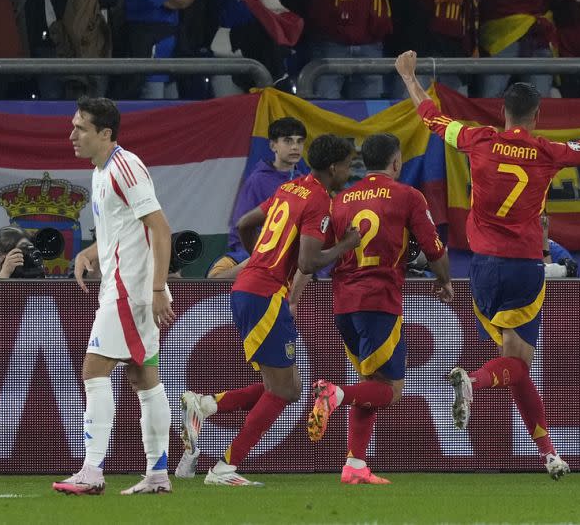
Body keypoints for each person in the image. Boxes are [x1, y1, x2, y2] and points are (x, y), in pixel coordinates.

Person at [395, 49, 580, 479]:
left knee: (514, 361)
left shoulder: (477, 138)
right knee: (516, 364)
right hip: (523, 267)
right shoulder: (547, 152)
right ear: (537, 114)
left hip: (481, 267)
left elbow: (431, 117)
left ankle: (548, 452)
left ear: (502, 112)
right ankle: (474, 383)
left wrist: (409, 76)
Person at [177, 134, 362, 486]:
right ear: (335, 167)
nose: (349, 172)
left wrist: (258, 258)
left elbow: (246, 223)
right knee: (285, 391)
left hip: (251, 289)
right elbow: (309, 261)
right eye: (349, 165)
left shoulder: (291, 188)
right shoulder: (319, 201)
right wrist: (347, 244)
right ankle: (224, 468)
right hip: (265, 295)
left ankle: (205, 406)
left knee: (284, 385)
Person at [305, 133, 454, 484]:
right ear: (397, 161)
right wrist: (445, 281)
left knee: (369, 381)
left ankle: (355, 465)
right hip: (380, 299)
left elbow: (320, 253)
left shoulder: (339, 200)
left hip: (343, 302)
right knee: (390, 390)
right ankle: (333, 393)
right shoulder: (407, 195)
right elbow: (433, 246)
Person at [52, 97, 175, 495]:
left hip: (131, 290)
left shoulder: (126, 166)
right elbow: (126, 229)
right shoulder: (101, 171)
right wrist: (90, 253)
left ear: (105, 134)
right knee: (143, 377)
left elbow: (160, 228)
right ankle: (157, 474)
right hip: (128, 286)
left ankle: (91, 471)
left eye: (81, 127)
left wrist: (156, 289)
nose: (72, 134)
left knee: (93, 370)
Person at [208, 117, 308, 277]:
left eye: (299, 141)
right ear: (273, 145)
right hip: (257, 254)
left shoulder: (306, 183)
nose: (295, 147)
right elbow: (239, 229)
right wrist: (259, 255)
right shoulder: (257, 180)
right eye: (288, 141)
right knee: (216, 276)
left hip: (294, 257)